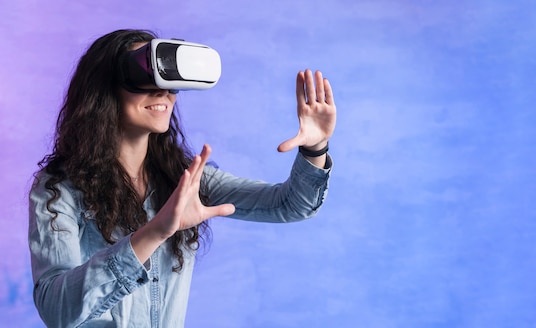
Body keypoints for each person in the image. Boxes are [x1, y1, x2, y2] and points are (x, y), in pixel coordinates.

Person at [28, 29, 336, 327]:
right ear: (104, 88)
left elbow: (290, 205)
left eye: (168, 79)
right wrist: (154, 232)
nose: (162, 91)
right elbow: (57, 311)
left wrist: (315, 148)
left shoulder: (185, 179)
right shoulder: (59, 189)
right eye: (144, 76)